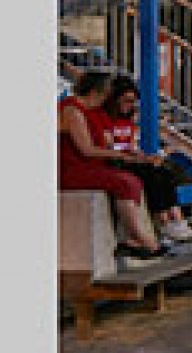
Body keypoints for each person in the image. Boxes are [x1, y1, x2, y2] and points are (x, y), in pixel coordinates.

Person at [57, 69, 168, 259]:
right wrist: (122, 156)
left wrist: (132, 155)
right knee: (124, 182)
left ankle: (136, 238)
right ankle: (139, 237)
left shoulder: (92, 113)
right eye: (106, 93)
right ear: (94, 92)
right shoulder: (72, 110)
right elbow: (86, 149)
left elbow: (106, 143)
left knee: (132, 180)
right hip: (74, 169)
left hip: (92, 166)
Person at [95, 76, 192, 248]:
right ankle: (163, 222)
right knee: (151, 174)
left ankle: (176, 220)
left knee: (165, 170)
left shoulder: (127, 120)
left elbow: (131, 146)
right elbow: (110, 147)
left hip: (129, 158)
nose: (130, 105)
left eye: (133, 102)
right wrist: (136, 158)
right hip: (115, 161)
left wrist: (145, 157)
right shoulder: (105, 119)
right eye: (126, 101)